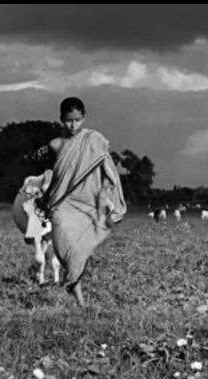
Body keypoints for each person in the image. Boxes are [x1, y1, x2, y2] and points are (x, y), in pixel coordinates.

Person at [43, 97, 127, 306]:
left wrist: (104, 192)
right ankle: (75, 288)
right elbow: (56, 175)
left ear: (84, 118)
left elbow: (108, 171)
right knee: (63, 248)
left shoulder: (94, 140)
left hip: (88, 203)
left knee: (79, 251)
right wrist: (45, 198)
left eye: (77, 120)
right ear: (61, 119)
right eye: (68, 120)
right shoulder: (56, 144)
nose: (73, 125)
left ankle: (79, 300)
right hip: (62, 203)